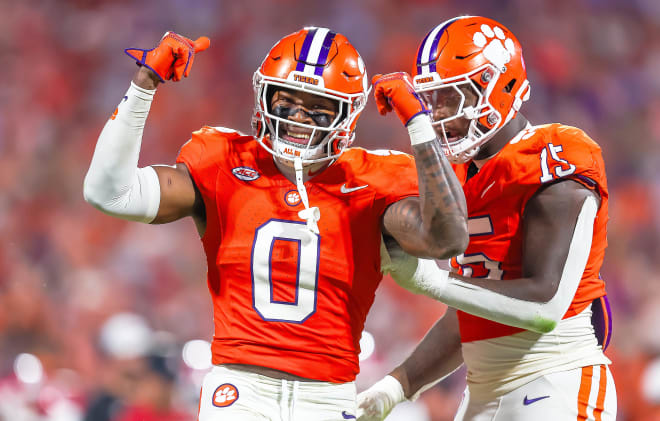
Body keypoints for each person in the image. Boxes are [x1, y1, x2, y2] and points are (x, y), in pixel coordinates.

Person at [83, 28, 468, 420]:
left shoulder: (370, 181)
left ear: (346, 113)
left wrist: (419, 123)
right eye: (286, 102)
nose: (298, 117)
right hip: (239, 390)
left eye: (317, 107)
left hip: (329, 397)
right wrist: (144, 84)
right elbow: (110, 193)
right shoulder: (225, 162)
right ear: (263, 96)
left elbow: (447, 239)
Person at [358, 16, 616, 421]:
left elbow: (546, 305)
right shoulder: (455, 176)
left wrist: (432, 280)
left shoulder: (554, 155)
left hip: (555, 377)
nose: (440, 115)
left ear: (501, 85)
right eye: (433, 101)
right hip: (481, 391)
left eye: (453, 97)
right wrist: (396, 386)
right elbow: (471, 311)